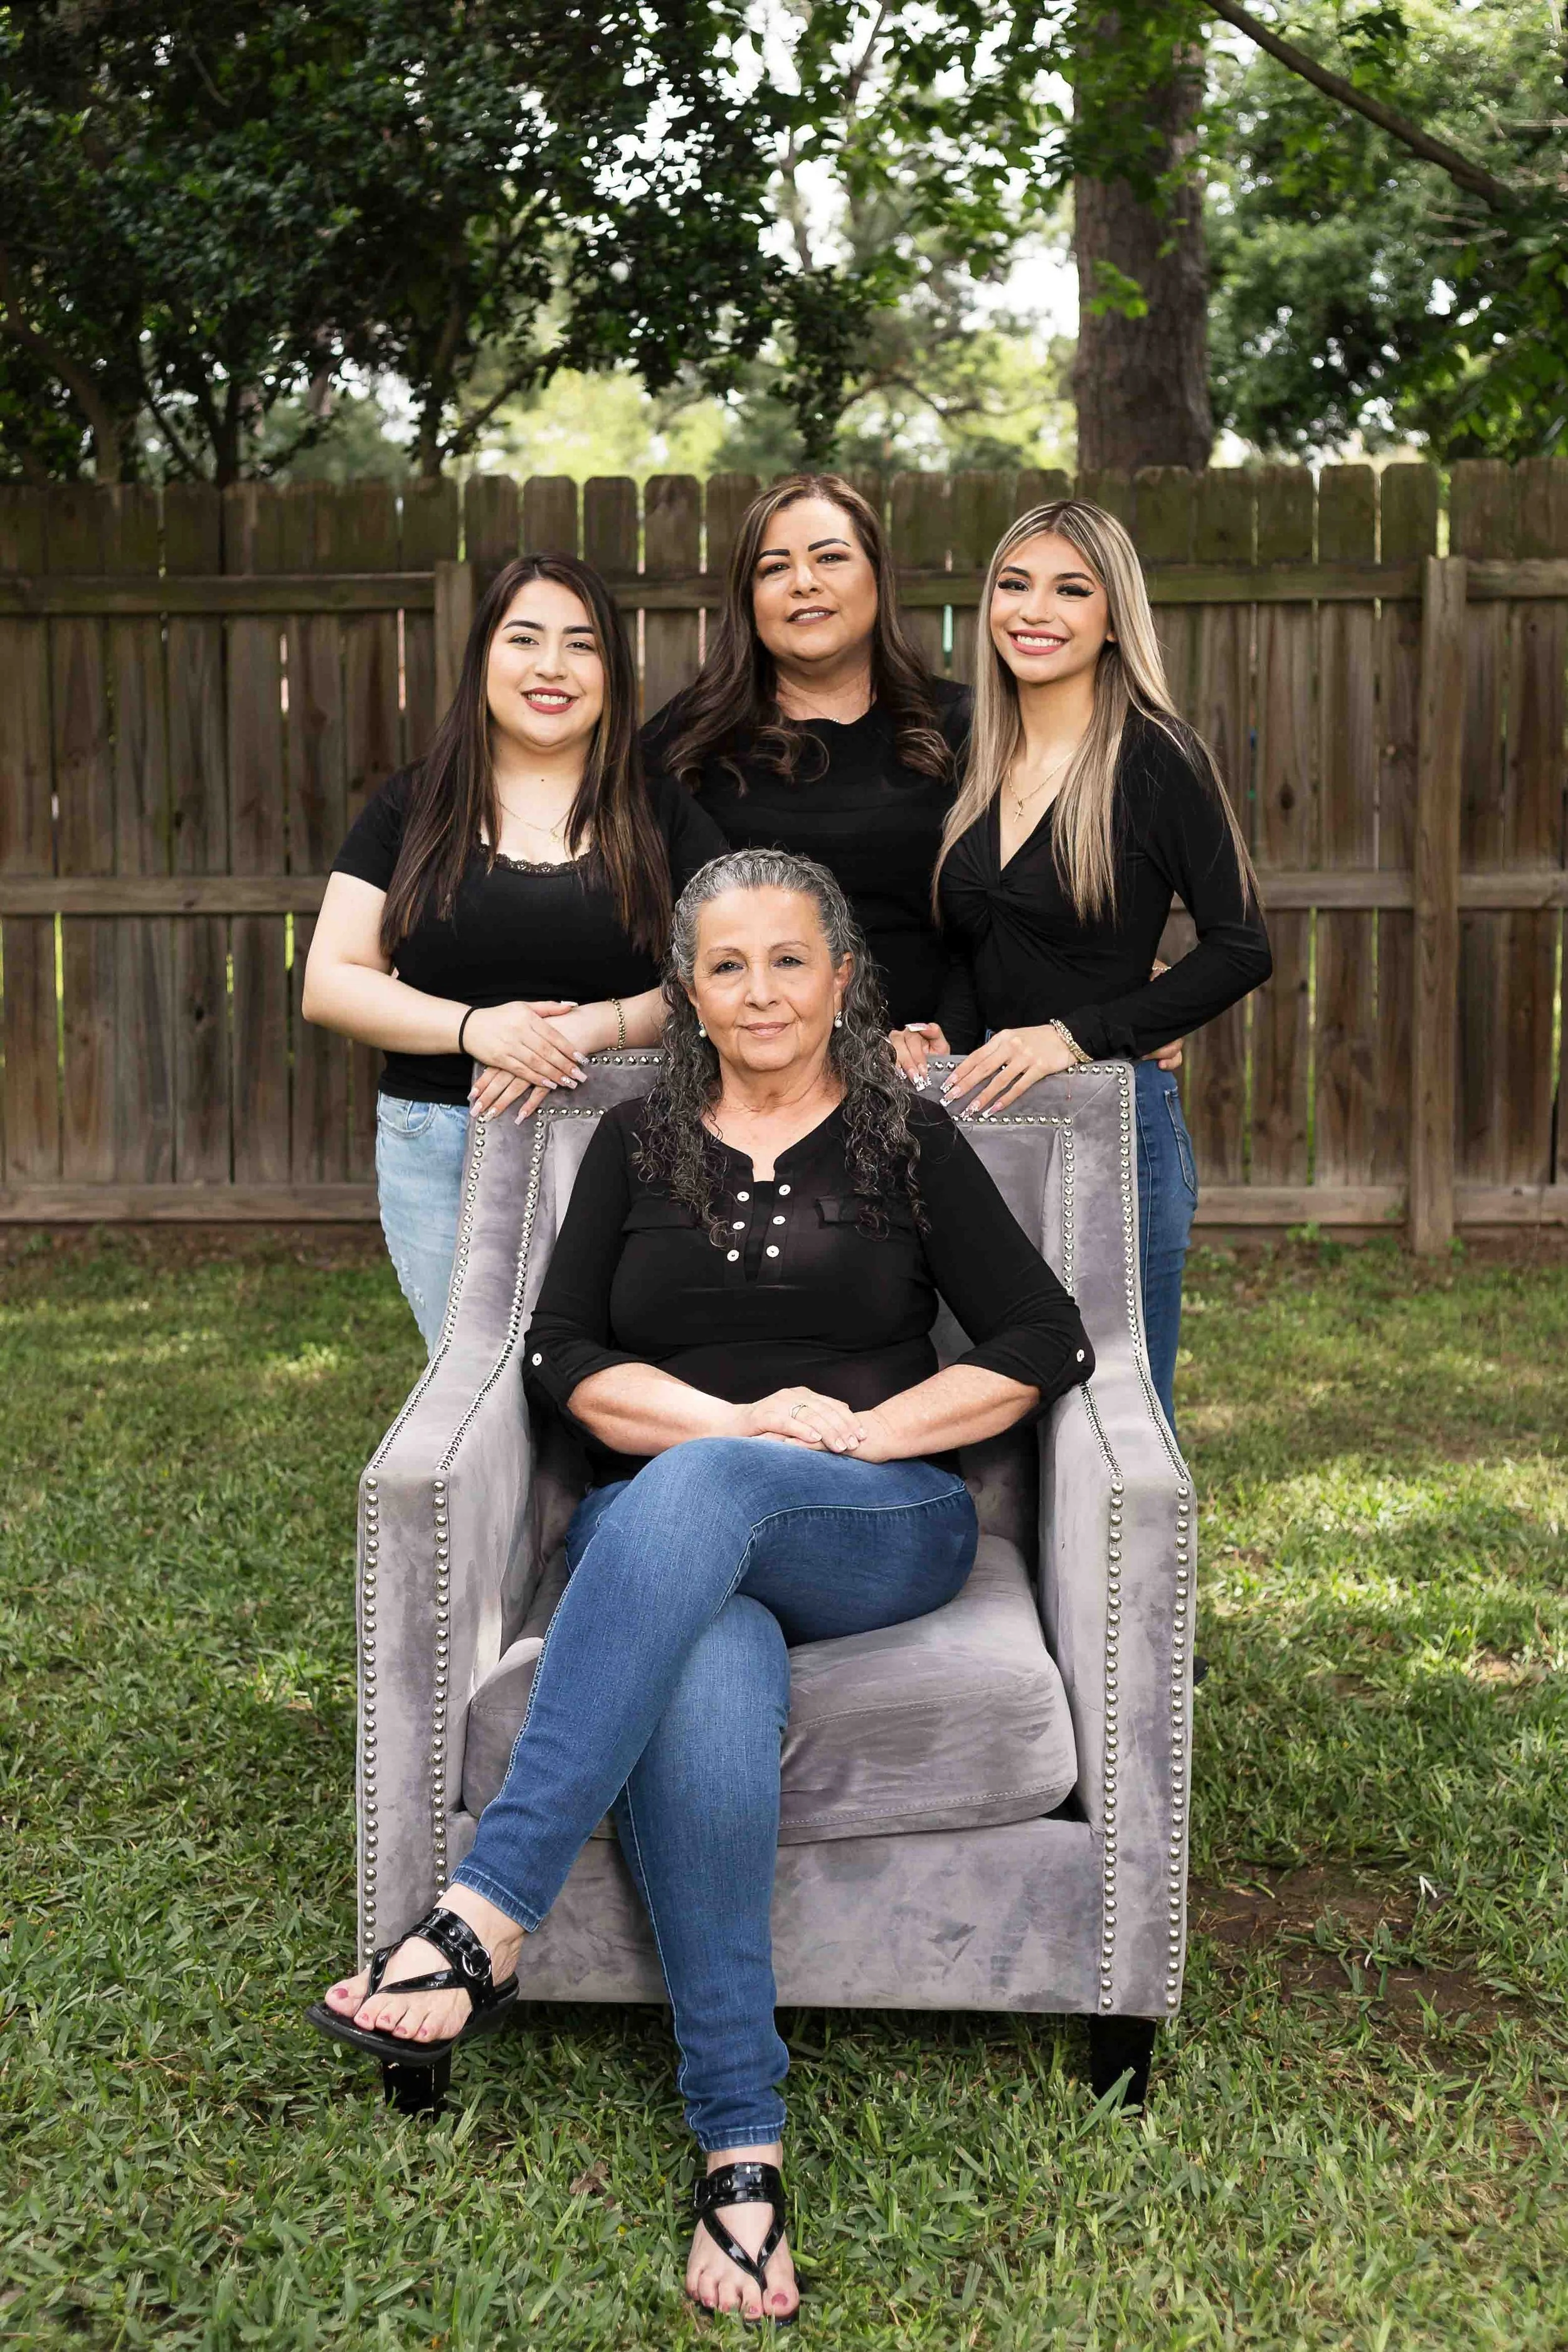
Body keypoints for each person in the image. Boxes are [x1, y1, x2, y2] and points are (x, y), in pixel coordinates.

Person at [309, 849, 1094, 2324]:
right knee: (712, 1641)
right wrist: (729, 1426)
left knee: (716, 1495)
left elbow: (1043, 1340)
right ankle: (743, 2149)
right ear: (691, 990)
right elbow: (557, 1360)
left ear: (842, 976)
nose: (760, 990)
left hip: (878, 1514)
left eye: (788, 959)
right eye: (727, 965)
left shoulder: (903, 1135)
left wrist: (862, 1429)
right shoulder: (637, 1140)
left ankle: (488, 1906)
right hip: (666, 1520)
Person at [894, 501, 1271, 1439]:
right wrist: (947, 1029)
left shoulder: (1155, 756)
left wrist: (1080, 1035)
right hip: (984, 1119)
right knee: (985, 1397)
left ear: (1113, 616)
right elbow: (975, 943)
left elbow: (1241, 946)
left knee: (1121, 1411)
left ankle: (1138, 1596)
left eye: (1072, 588)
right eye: (1016, 584)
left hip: (1115, 1121)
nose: (1036, 609)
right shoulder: (977, 753)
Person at [302, 554, 724, 1350]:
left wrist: (595, 1028)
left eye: (582, 645)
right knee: (475, 1378)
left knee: (617, 1374)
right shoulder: (412, 806)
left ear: (611, 671)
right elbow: (330, 981)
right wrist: (478, 1029)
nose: (551, 668)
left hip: (629, 1131)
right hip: (443, 1137)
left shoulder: (662, 811)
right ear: (483, 660)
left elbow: (726, 978)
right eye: (524, 639)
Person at [642, 473, 972, 1033]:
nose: (804, 583)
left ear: (877, 576)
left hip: (934, 1068)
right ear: (749, 600)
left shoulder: (964, 728)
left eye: (831, 558)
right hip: (742, 1074)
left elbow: (1018, 909)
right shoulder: (685, 739)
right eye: (774, 568)